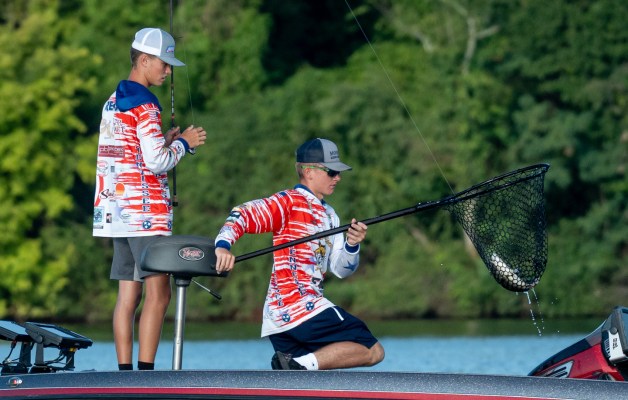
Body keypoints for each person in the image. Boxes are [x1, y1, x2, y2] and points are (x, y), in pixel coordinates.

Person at [214, 138, 385, 370]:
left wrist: (352, 245)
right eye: (331, 172)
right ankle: (295, 365)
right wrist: (223, 246)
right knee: (372, 350)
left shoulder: (331, 215)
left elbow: (341, 270)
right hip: (301, 308)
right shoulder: (288, 202)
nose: (338, 178)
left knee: (309, 376)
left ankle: (294, 367)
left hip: (279, 319)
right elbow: (242, 214)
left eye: (338, 172)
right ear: (308, 171)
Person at [93, 27, 207, 371]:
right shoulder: (146, 104)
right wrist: (184, 143)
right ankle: (145, 374)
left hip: (116, 214)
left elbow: (130, 151)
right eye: (164, 63)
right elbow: (157, 162)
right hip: (146, 215)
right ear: (144, 60)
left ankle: (124, 374)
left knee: (128, 295)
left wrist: (164, 139)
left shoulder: (112, 101)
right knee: (160, 294)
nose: (168, 71)